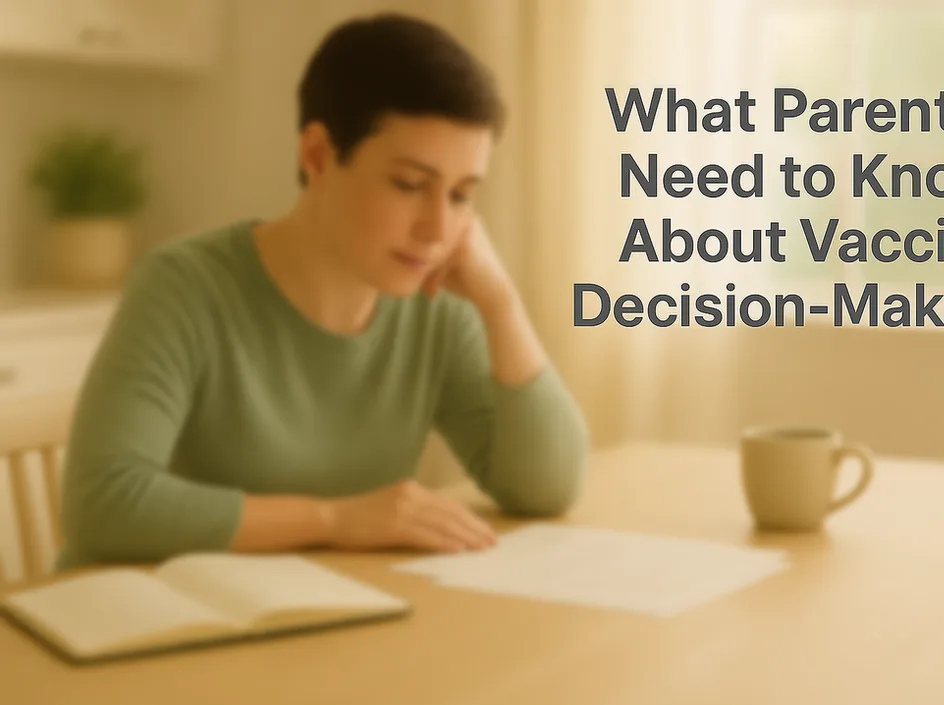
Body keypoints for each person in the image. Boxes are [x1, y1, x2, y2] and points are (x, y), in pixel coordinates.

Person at [55, 13, 590, 570]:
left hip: (320, 611)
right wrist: (334, 520)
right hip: (144, 612)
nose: (437, 229)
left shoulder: (433, 307)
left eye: (460, 196)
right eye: (410, 184)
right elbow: (101, 504)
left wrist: (501, 303)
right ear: (316, 156)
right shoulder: (185, 287)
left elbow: (546, 488)